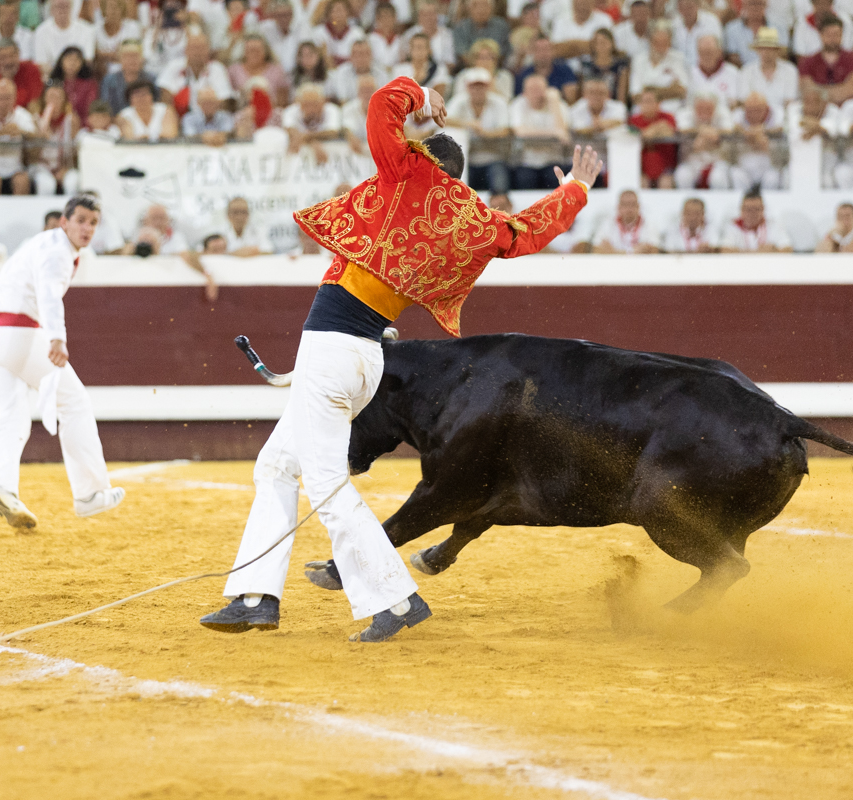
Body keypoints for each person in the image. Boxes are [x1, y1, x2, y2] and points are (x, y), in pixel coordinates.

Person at [199, 76, 600, 643]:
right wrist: (575, 191)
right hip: (366, 356)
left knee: (327, 486)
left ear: (421, 155)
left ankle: (395, 597)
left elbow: (379, 106)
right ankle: (256, 595)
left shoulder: (405, 173)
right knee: (277, 466)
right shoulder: (469, 219)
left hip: (333, 348)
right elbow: (523, 234)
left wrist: (422, 94)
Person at [0, 194, 125, 530]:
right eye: (81, 220)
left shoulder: (42, 244)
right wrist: (57, 337)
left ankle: (1, 486)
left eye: (93, 222)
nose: (87, 228)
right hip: (19, 335)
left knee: (12, 413)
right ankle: (91, 494)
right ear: (64, 222)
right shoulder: (57, 252)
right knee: (74, 402)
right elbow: (48, 295)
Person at [446, 66, 511, 195]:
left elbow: (506, 130)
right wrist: (469, 124)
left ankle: (500, 211)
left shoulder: (499, 103)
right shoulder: (459, 101)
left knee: (499, 186)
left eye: (481, 86)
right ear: (467, 87)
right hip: (467, 161)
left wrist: (485, 133)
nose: (477, 90)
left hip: (493, 159)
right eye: (473, 86)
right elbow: (444, 120)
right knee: (455, 185)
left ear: (487, 87)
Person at [509, 73, 571, 189]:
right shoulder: (518, 104)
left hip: (552, 160)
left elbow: (563, 136)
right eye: (531, 89)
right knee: (524, 179)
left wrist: (554, 102)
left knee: (555, 180)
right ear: (524, 92)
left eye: (539, 89)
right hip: (526, 162)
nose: (535, 93)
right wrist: (553, 133)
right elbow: (520, 132)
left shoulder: (559, 105)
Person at [156, 32, 233, 115]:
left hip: (210, 119)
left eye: (201, 48)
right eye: (193, 48)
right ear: (185, 50)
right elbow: (165, 97)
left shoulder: (217, 69)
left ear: (208, 50)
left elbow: (224, 100)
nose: (197, 52)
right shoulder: (174, 66)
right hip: (179, 117)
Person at [798, 16, 853, 106]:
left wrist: (821, 92)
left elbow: (852, 89)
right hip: (818, 110)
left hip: (846, 108)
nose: (833, 39)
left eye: (837, 34)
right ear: (821, 35)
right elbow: (807, 89)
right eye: (829, 35)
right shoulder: (808, 62)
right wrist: (836, 93)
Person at [630, 20, 689, 115]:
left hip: (671, 110)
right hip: (644, 110)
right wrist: (669, 90)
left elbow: (682, 91)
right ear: (649, 41)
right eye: (657, 42)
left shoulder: (678, 58)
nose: (661, 47)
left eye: (665, 42)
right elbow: (635, 96)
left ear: (670, 41)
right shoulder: (639, 60)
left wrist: (649, 89)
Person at [31, 82, 79, 195]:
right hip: (42, 166)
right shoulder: (35, 120)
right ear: (44, 100)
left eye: (58, 97)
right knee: (46, 185)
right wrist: (40, 137)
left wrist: (65, 169)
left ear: (64, 101)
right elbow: (30, 156)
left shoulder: (71, 121)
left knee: (72, 182)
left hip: (64, 165)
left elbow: (74, 152)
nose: (54, 101)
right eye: (50, 97)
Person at [738, 27, 798, 108]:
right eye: (763, 48)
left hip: (783, 116)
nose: (766, 52)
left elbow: (790, 100)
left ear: (777, 50)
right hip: (755, 115)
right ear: (757, 50)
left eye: (770, 49)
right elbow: (744, 100)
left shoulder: (790, 70)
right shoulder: (747, 70)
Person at [629, 88, 677, 188]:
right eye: (643, 101)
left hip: (665, 168)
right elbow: (631, 137)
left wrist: (645, 133)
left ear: (658, 103)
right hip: (642, 168)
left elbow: (668, 131)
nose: (645, 104)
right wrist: (656, 129)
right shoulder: (634, 120)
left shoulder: (668, 117)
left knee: (666, 183)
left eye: (649, 101)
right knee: (639, 183)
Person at [0, 38, 43, 109]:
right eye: (3, 57)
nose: (8, 61)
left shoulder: (30, 69)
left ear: (18, 54)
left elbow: (35, 103)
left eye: (11, 56)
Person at [283, 82, 342, 162]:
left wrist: (307, 138)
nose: (311, 109)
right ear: (299, 103)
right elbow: (290, 130)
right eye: (306, 104)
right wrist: (313, 142)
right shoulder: (290, 111)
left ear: (323, 102)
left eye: (315, 104)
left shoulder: (332, 110)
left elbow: (333, 132)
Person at [34, 0, 95, 76]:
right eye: (58, 6)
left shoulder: (86, 30)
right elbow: (41, 64)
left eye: (65, 6)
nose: (62, 10)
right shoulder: (41, 31)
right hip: (53, 80)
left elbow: (87, 61)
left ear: (71, 7)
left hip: (79, 80)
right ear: (51, 9)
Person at [719, 191, 791, 252]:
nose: (752, 214)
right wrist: (760, 253)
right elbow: (725, 250)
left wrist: (774, 249)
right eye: (749, 210)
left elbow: (788, 249)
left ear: (763, 209)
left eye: (756, 209)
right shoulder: (733, 228)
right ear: (741, 210)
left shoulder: (773, 225)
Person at [592, 189, 660, 253]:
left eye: (633, 204)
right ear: (619, 207)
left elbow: (655, 250)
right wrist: (634, 252)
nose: (629, 208)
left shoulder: (649, 224)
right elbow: (595, 249)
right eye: (625, 204)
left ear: (638, 206)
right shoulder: (608, 224)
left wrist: (613, 252)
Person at [518, 34, 579, 104]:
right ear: (532, 52)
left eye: (546, 49)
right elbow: (522, 100)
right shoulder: (525, 73)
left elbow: (571, 99)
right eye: (538, 50)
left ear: (553, 51)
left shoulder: (565, 70)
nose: (543, 53)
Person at [326, 38, 387, 104]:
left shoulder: (381, 73)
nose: (360, 58)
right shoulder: (342, 72)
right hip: (350, 112)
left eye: (363, 54)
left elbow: (385, 99)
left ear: (371, 55)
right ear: (350, 56)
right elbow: (343, 100)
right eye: (356, 54)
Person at [99, 40, 154, 114]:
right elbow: (105, 108)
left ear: (142, 58)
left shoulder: (151, 79)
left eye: (135, 56)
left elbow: (155, 105)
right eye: (127, 56)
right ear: (120, 59)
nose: (132, 60)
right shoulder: (109, 80)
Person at [577, 28, 629, 104]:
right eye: (598, 43)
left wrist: (619, 109)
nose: (601, 46)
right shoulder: (586, 64)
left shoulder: (620, 66)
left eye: (604, 43)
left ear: (612, 44)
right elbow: (582, 91)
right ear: (593, 45)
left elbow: (621, 96)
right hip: (589, 105)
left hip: (612, 105)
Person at [391, 31, 449, 97]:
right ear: (410, 50)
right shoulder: (399, 69)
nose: (418, 51)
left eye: (421, 47)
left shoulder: (439, 69)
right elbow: (397, 94)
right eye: (415, 47)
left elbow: (438, 94)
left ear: (429, 50)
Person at [453, 0, 509, 67]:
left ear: (492, 8)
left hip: (497, 68)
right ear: (469, 8)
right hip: (468, 68)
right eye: (475, 5)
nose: (481, 9)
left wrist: (488, 63)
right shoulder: (461, 27)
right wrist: (479, 64)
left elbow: (504, 51)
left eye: (485, 5)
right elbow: (461, 52)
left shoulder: (501, 26)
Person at [49, 45, 99, 121]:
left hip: (82, 124)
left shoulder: (89, 85)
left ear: (82, 63)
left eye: (76, 60)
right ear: (61, 61)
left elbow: (91, 108)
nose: (72, 63)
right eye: (69, 59)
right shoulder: (53, 83)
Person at [93, 0, 141, 74]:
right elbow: (93, 55)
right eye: (111, 7)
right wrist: (116, 55)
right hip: (100, 72)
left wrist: (103, 55)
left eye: (118, 7)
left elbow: (133, 54)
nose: (114, 11)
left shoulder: (132, 27)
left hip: (125, 72)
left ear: (123, 9)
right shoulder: (95, 29)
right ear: (104, 9)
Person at [671, 0, 723, 67]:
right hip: (681, 70)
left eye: (690, 7)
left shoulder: (711, 22)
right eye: (683, 8)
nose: (687, 11)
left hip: (704, 70)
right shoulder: (674, 24)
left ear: (697, 5)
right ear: (678, 9)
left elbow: (718, 50)